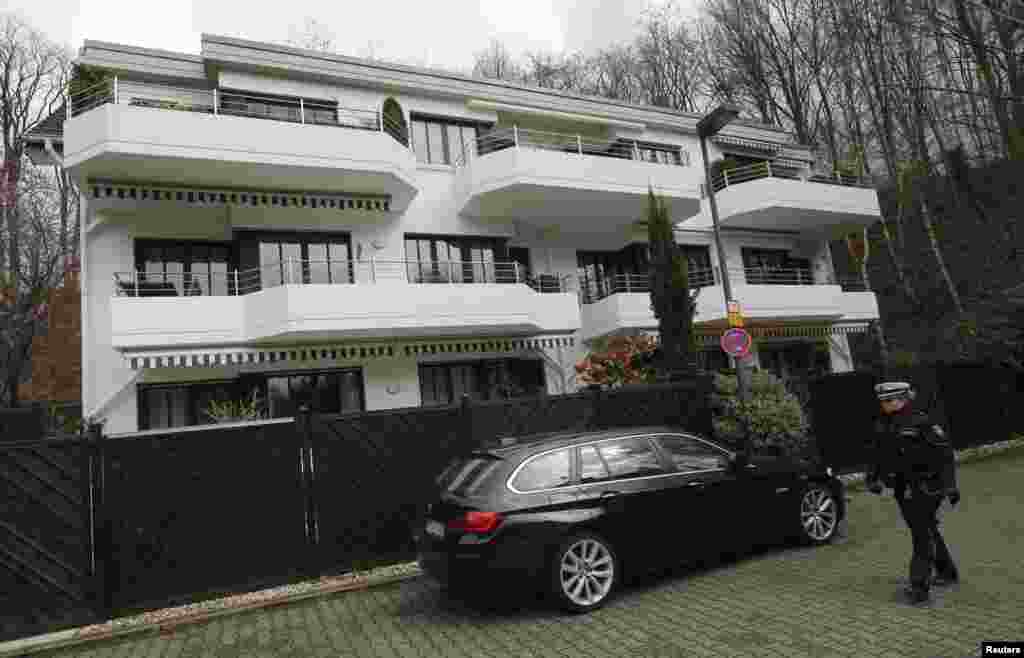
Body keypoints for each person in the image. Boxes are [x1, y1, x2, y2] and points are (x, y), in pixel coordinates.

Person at [866, 381, 960, 605]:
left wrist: (950, 485)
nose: (884, 405)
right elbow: (877, 454)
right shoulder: (882, 424)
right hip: (902, 487)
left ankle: (919, 588)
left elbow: (945, 455)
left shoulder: (921, 422)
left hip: (927, 486)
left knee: (921, 534)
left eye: (889, 401)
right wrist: (872, 478)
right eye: (882, 401)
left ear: (903, 399)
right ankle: (947, 572)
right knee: (926, 528)